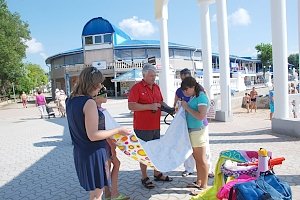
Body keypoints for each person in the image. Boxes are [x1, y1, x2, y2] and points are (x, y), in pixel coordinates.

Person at [66, 67, 130, 200]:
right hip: (94, 154)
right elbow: (93, 135)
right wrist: (118, 130)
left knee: (94, 193)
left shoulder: (70, 100)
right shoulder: (88, 102)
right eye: (100, 83)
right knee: (96, 194)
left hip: (81, 152)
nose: (101, 86)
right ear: (93, 84)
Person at [128, 63, 173, 189]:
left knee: (156, 151)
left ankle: (157, 173)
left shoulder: (157, 87)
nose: (154, 78)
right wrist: (149, 107)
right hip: (142, 127)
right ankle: (144, 177)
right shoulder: (136, 88)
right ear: (144, 75)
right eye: (151, 76)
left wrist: (170, 109)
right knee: (144, 152)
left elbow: (160, 102)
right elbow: (131, 106)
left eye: (155, 75)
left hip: (155, 126)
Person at [173, 68, 214, 178]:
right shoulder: (183, 92)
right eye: (183, 80)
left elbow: (201, 114)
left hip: (199, 128)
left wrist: (187, 107)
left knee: (203, 154)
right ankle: (192, 172)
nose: (184, 90)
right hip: (188, 126)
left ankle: (207, 174)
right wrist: (178, 107)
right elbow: (175, 105)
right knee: (190, 151)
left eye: (187, 81)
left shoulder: (200, 94)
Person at [94, 87, 130, 200]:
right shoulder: (99, 112)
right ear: (97, 97)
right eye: (103, 94)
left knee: (107, 169)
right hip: (106, 145)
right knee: (111, 167)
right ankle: (113, 194)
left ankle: (109, 194)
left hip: (103, 144)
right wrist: (112, 147)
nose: (106, 96)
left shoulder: (96, 110)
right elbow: (105, 130)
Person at [180, 76, 209, 194]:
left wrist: (186, 108)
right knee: (197, 159)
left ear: (192, 87)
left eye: (186, 89)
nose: (185, 92)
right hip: (193, 131)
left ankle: (204, 185)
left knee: (201, 160)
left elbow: (200, 116)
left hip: (198, 132)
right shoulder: (194, 96)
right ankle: (199, 181)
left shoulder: (201, 97)